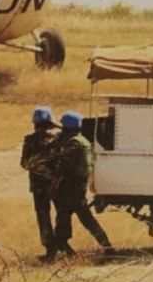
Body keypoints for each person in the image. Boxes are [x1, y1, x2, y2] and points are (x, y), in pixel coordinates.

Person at [49, 111, 114, 258]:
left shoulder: (74, 143)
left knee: (71, 219)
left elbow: (60, 160)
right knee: (71, 219)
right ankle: (65, 251)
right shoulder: (83, 140)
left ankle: (107, 248)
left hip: (71, 187)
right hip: (78, 186)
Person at [20, 106, 60, 260]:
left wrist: (41, 169)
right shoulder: (58, 139)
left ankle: (51, 250)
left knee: (43, 217)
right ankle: (63, 245)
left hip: (39, 185)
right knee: (62, 215)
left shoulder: (30, 140)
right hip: (57, 183)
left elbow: (25, 163)